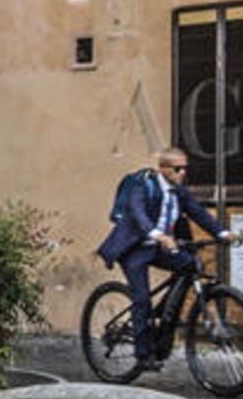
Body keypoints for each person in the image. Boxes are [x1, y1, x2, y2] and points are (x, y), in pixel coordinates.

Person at [97, 147, 228, 370]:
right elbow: (137, 212)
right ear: (164, 169)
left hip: (159, 248)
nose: (183, 173)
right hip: (134, 249)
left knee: (191, 265)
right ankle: (143, 356)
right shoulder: (144, 185)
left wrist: (221, 232)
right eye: (178, 169)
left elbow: (198, 212)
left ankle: (163, 314)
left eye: (185, 168)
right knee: (142, 300)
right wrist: (157, 235)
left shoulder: (179, 191)